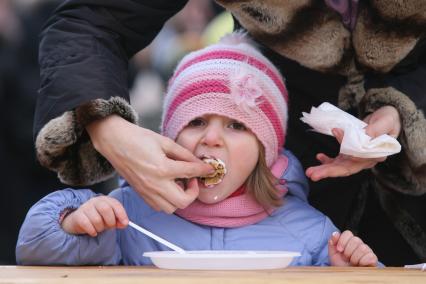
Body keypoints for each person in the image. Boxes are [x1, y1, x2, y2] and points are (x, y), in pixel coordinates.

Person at [34, 1, 426, 265]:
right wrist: (105, 125)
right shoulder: (131, 216)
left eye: (234, 126)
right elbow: (92, 19)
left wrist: (405, 109)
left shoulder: (309, 231)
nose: (212, 138)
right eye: (197, 122)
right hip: (304, 159)